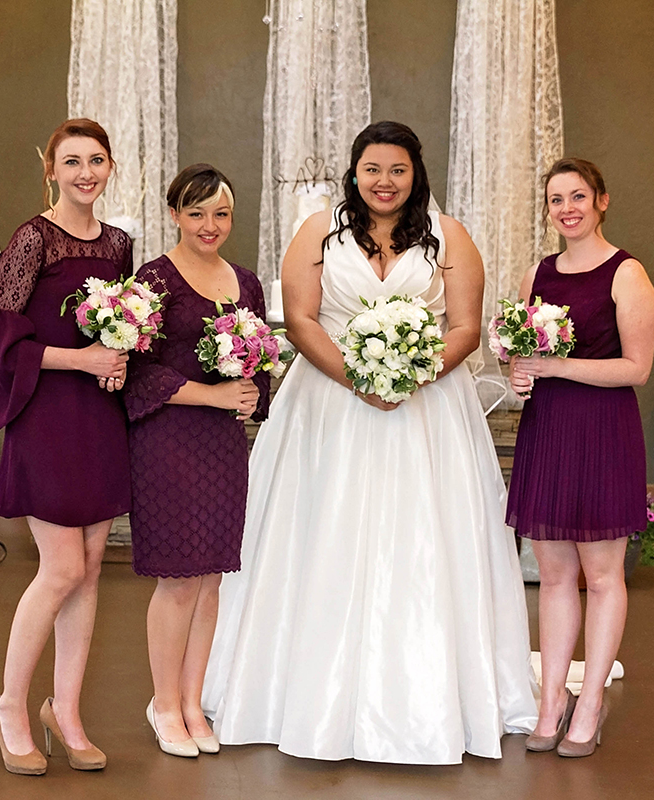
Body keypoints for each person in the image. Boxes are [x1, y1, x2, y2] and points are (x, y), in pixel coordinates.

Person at [202, 121, 537, 764]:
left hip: (427, 410)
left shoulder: (451, 237)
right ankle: (296, 691)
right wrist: (359, 378)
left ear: (417, 174)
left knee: (424, 538)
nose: (384, 183)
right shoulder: (316, 232)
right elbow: (299, 318)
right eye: (372, 169)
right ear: (353, 171)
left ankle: (426, 696)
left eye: (398, 171)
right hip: (327, 404)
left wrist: (410, 375)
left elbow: (465, 327)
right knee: (319, 531)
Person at [0, 118, 132, 775]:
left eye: (96, 160)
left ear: (111, 166)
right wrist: (84, 357)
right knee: (62, 568)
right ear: (51, 169)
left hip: (101, 415)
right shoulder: (31, 239)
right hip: (47, 414)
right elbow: (2, 339)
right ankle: (9, 705)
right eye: (72, 162)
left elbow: (125, 324)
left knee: (91, 568)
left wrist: (122, 356)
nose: (85, 173)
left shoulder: (120, 245)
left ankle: (64, 712)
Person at [507, 157, 654, 758]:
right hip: (548, 431)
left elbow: (637, 369)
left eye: (577, 196)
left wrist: (554, 366)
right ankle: (551, 702)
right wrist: (518, 373)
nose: (566, 208)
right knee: (555, 576)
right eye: (555, 200)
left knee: (602, 575)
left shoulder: (627, 274)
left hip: (602, 433)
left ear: (601, 201)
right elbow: (518, 354)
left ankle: (589, 703)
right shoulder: (536, 274)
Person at [124, 164, 270, 758]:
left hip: (223, 446)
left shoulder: (247, 282)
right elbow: (136, 372)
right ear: (175, 214)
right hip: (168, 440)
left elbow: (259, 360)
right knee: (180, 581)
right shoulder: (152, 280)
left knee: (211, 581)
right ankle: (163, 705)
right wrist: (211, 394)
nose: (209, 226)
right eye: (197, 213)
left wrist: (255, 388)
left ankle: (192, 702)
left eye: (221, 214)